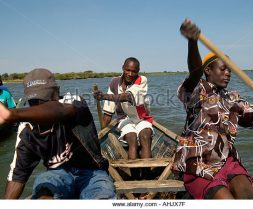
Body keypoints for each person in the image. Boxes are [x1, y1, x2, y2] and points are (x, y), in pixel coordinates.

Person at [171, 19, 253, 199]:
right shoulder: (197, 90)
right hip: (198, 162)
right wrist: (192, 41)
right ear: (208, 70)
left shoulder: (231, 98)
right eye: (223, 69)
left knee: (246, 193)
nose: (228, 73)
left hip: (227, 159)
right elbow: (195, 72)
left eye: (230, 70)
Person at [1, 68, 115, 199]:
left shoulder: (74, 102)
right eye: (33, 101)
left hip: (92, 172)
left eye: (43, 99)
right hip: (56, 174)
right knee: (44, 192)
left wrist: (12, 114)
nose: (37, 105)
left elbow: (61, 109)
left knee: (102, 196)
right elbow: (17, 177)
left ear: (57, 93)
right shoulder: (27, 129)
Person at [93, 57, 153, 180]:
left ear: (138, 71)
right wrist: (102, 133)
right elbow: (108, 112)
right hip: (124, 119)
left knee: (145, 136)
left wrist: (103, 96)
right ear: (123, 68)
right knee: (132, 139)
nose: (130, 74)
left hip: (141, 118)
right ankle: (135, 179)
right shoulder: (114, 83)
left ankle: (147, 179)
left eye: (134, 71)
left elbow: (128, 96)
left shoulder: (142, 80)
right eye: (128, 70)